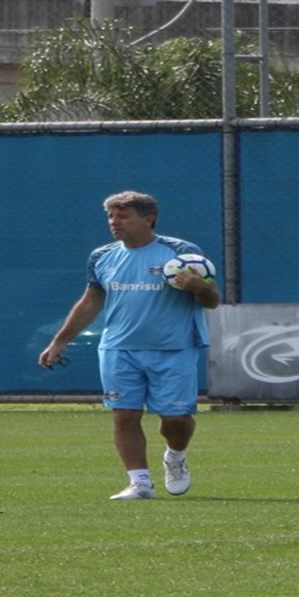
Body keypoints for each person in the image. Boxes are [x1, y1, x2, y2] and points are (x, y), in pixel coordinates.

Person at [38, 190, 221, 500]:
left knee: (176, 420)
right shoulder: (102, 256)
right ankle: (139, 483)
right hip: (119, 349)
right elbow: (90, 301)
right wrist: (59, 341)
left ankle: (175, 457)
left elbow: (212, 300)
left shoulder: (181, 252)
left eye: (123, 216)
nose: (114, 222)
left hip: (173, 348)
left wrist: (198, 287)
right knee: (124, 414)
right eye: (111, 216)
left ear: (148, 219)